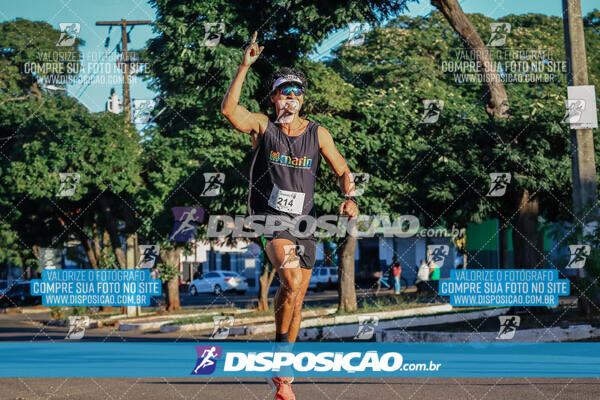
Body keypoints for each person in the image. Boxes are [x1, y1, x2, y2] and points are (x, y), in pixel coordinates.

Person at [221, 31, 358, 400]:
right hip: (271, 218)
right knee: (293, 282)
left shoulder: (318, 134)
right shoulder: (264, 127)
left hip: (306, 222)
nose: (291, 97)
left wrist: (349, 196)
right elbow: (230, 112)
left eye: (297, 91)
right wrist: (244, 65)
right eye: (285, 91)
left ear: (303, 100)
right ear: (274, 97)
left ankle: (283, 371)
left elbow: (343, 170)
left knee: (296, 298)